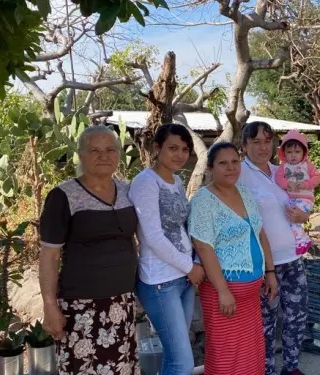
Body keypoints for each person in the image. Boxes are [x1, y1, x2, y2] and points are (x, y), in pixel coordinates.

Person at [38, 125, 139, 375]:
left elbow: (134, 241)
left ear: (118, 154)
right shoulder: (63, 196)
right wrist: (50, 305)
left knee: (121, 368)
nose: (103, 156)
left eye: (109, 150)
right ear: (81, 155)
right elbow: (50, 255)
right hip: (81, 306)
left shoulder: (128, 191)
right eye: (94, 150)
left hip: (122, 302)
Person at [188, 142, 279, 375]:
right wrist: (223, 291)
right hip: (224, 294)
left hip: (250, 293)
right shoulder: (203, 201)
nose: (230, 168)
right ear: (210, 168)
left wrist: (270, 272)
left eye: (234, 162)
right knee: (225, 354)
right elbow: (203, 247)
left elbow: (260, 233)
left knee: (250, 352)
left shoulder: (244, 193)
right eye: (223, 163)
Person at [128, 124, 206, 375]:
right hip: (160, 281)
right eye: (173, 148)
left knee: (175, 357)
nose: (180, 154)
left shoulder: (177, 181)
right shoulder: (145, 182)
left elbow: (182, 227)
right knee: (182, 362)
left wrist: (193, 263)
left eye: (185, 149)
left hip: (183, 278)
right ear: (156, 147)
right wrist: (191, 267)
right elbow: (152, 237)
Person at [238, 121, 312, 375]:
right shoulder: (239, 174)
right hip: (264, 263)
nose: (262, 146)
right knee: (265, 323)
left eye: (267, 141)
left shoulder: (282, 170)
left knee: (296, 316)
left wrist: (304, 216)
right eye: (256, 141)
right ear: (245, 144)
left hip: (293, 258)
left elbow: (301, 200)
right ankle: (266, 370)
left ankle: (291, 367)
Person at [275, 129, 320, 255]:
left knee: (293, 218)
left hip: (306, 199)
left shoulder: (308, 165)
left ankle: (302, 240)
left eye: (297, 152)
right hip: (292, 199)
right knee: (289, 218)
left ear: (303, 152)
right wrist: (287, 184)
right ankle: (301, 239)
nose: (293, 155)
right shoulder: (283, 167)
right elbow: (278, 179)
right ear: (283, 153)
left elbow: (317, 178)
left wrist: (306, 184)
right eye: (289, 152)